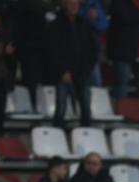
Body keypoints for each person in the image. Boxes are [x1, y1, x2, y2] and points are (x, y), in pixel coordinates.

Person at [45, 0, 98, 128]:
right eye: (70, 4)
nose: (74, 7)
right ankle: (57, 138)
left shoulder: (85, 24)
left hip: (83, 72)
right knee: (61, 110)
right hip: (63, 73)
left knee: (86, 109)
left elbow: (93, 49)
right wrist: (62, 71)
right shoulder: (55, 25)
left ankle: (87, 138)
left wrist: (87, 69)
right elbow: (51, 51)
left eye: (76, 4)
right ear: (64, 5)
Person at [108, 0, 139, 103]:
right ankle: (121, 112)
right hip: (123, 51)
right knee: (121, 83)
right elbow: (127, 18)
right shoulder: (119, 2)